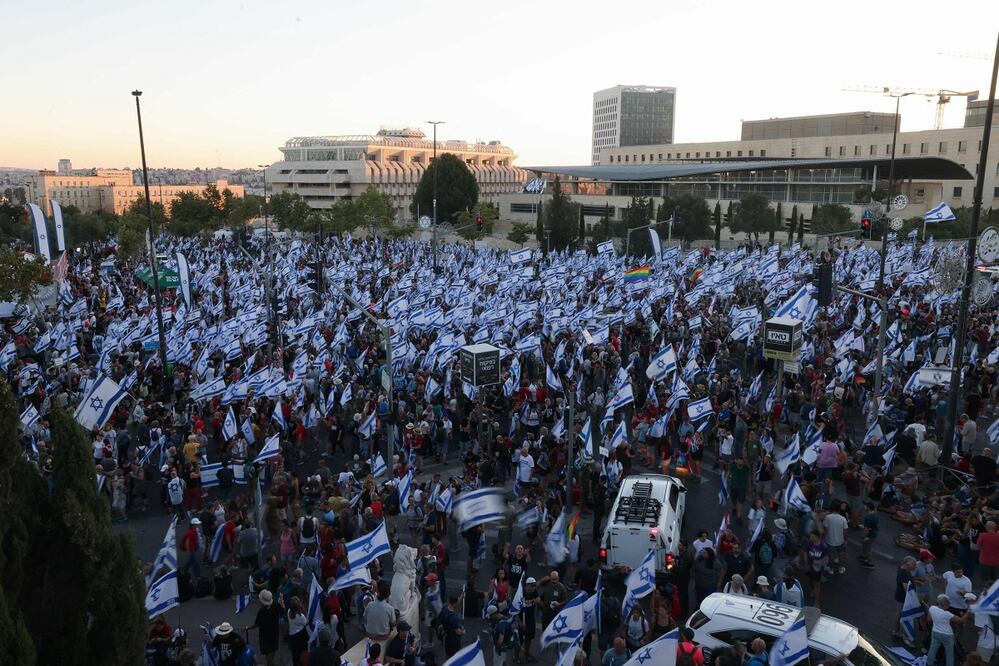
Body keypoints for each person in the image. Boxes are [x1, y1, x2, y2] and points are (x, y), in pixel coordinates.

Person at [927, 594, 970, 666]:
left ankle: (929, 663)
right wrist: (968, 612)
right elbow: (961, 620)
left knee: (932, 649)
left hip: (935, 632)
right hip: (947, 635)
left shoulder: (932, 608)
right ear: (944, 605)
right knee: (949, 654)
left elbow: (929, 619)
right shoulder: (948, 614)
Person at [246, 589, 281, 666]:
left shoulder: (261, 612)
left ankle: (270, 663)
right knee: (273, 650)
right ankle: (271, 662)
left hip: (265, 636)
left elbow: (257, 624)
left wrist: (248, 628)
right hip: (275, 633)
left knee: (268, 654)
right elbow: (282, 610)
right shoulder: (276, 606)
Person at [441, 594, 466, 658]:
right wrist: (463, 631)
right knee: (454, 656)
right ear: (455, 603)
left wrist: (461, 597)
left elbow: (455, 604)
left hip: (447, 638)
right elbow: (458, 632)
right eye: (457, 602)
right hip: (453, 641)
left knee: (447, 654)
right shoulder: (453, 618)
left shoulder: (445, 608)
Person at [859, 502, 879, 569]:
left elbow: (866, 529)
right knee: (865, 546)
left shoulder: (868, 517)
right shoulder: (876, 514)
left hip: (869, 535)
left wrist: (864, 536)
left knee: (868, 549)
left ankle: (869, 563)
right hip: (874, 532)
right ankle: (864, 556)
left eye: (865, 506)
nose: (864, 507)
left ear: (868, 508)